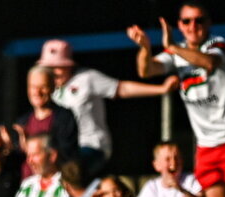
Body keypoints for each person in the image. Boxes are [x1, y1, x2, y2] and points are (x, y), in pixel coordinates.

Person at [129, 3, 225, 197]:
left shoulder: (218, 44)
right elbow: (146, 70)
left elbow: (209, 63)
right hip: (206, 145)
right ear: (179, 24)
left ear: (209, 23)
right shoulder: (175, 53)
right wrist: (145, 48)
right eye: (187, 21)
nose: (192, 26)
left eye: (199, 20)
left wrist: (173, 46)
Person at [38, 39, 178, 176]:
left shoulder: (87, 78)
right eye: (49, 68)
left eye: (58, 66)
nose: (53, 72)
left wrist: (161, 89)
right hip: (64, 149)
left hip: (91, 146)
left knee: (71, 170)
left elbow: (122, 88)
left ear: (69, 65)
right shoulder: (47, 91)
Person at [11, 66, 79, 178]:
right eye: (33, 87)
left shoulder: (64, 118)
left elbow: (68, 155)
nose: (37, 92)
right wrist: (11, 149)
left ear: (53, 87)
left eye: (43, 87)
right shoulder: (22, 122)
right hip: (28, 187)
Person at [132, 142, 206, 197]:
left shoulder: (191, 180)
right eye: (167, 159)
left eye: (177, 158)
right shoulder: (152, 187)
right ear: (157, 165)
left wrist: (182, 190)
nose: (173, 163)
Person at [4, 135, 69, 197]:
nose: (29, 161)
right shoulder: (27, 185)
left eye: (34, 155)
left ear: (52, 155)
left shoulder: (67, 185)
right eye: (28, 155)